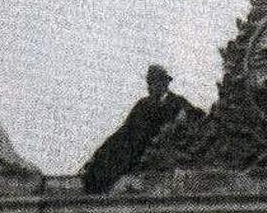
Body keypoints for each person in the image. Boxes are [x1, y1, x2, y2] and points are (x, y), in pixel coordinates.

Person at [80, 65, 204, 194]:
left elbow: (197, 116)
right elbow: (127, 127)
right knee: (110, 152)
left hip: (162, 144)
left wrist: (181, 119)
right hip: (139, 144)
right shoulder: (143, 104)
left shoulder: (177, 102)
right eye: (150, 83)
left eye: (156, 82)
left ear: (165, 83)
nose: (152, 86)